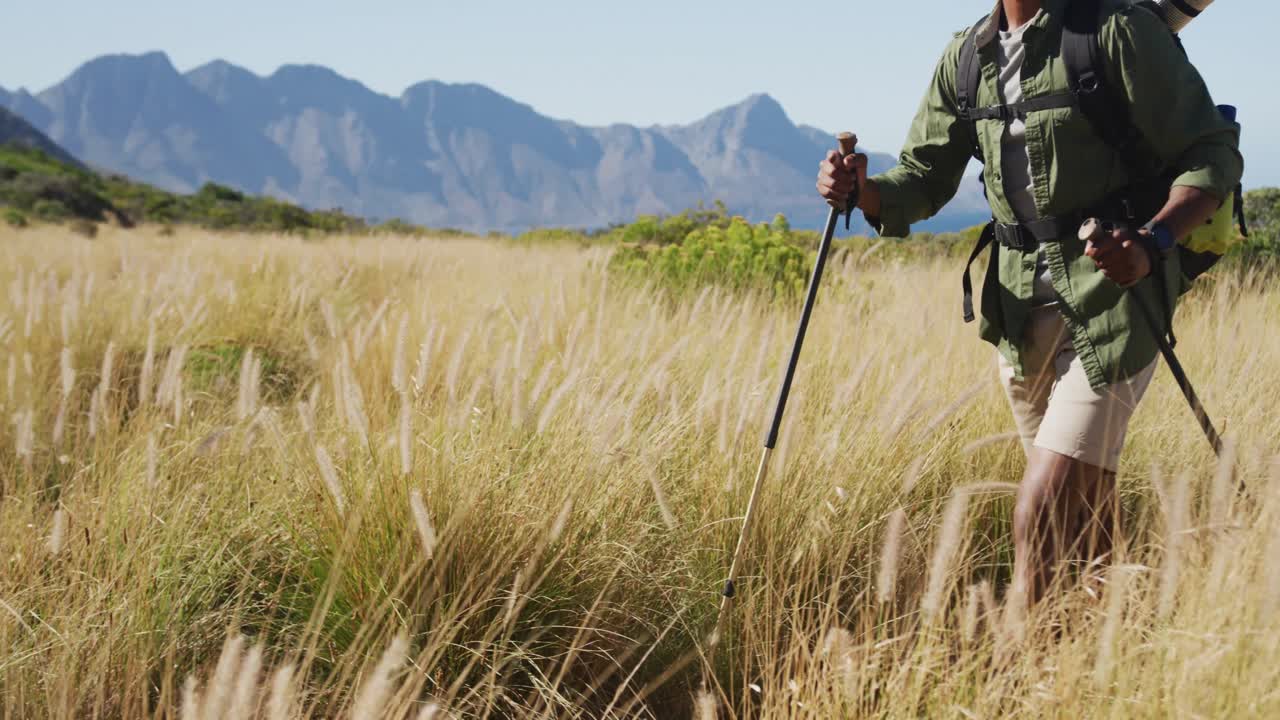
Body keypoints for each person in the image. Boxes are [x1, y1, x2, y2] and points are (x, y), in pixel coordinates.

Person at [817, 0, 1242, 608]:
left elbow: (1212, 152)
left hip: (1115, 306)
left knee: (1040, 510)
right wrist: (862, 191)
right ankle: (1119, 663)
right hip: (1017, 317)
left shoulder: (1118, 30)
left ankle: (1017, 682)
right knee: (1085, 523)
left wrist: (1151, 243)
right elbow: (923, 176)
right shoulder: (966, 56)